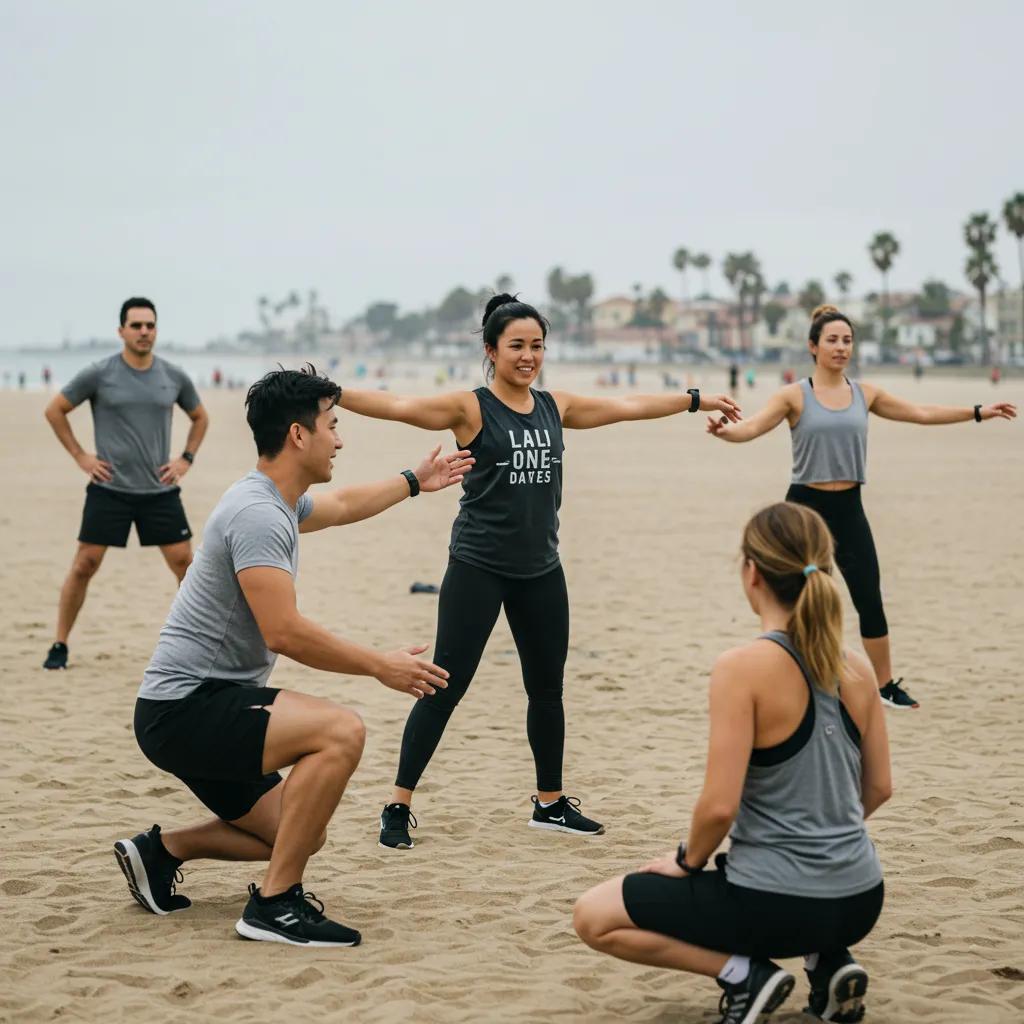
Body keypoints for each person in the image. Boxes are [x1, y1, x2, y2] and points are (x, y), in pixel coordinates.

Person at [340, 294, 742, 849]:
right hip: (478, 566)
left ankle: (549, 803)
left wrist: (693, 400)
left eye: (536, 346)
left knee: (546, 689)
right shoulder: (471, 408)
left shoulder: (557, 406)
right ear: (490, 350)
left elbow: (627, 405)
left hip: (541, 570)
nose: (528, 356)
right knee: (444, 685)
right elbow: (401, 405)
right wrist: (333, 393)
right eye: (516, 347)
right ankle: (397, 803)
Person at [115, 366, 473, 946]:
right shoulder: (257, 514)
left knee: (298, 832)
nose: (340, 438)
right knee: (340, 732)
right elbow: (284, 632)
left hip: (189, 707)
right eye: (332, 425)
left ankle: (160, 852)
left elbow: (343, 504)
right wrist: (380, 665)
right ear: (298, 435)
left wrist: (415, 479)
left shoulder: (275, 499)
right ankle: (275, 904)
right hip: (186, 708)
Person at [573, 501, 891, 1024]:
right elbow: (879, 788)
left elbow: (719, 808)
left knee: (594, 917)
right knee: (803, 902)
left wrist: (685, 863)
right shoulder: (855, 665)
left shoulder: (742, 667)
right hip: (861, 898)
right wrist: (821, 839)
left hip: (775, 903)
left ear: (752, 573)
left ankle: (748, 975)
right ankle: (828, 959)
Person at [707, 304, 1016, 709]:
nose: (841, 348)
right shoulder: (793, 396)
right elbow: (752, 427)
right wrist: (726, 433)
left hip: (850, 508)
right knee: (802, 599)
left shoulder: (864, 394)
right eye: (832, 340)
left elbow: (920, 413)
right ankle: (802, 676)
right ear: (813, 347)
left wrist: (977, 412)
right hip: (806, 510)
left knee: (868, 597)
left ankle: (885, 686)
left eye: (847, 341)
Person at [42, 298, 210, 670]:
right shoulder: (99, 373)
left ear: (156, 330)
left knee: (187, 565)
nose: (144, 332)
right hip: (110, 490)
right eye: (136, 326)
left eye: (150, 325)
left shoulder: (173, 376)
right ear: (121, 331)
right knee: (85, 564)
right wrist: (80, 456)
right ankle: (60, 643)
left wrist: (186, 459)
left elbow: (200, 417)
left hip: (159, 491)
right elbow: (55, 411)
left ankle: (202, 647)